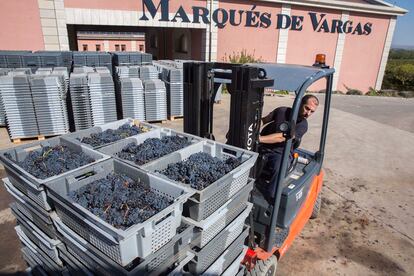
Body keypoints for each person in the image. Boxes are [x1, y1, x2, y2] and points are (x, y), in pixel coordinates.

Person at [258, 94, 319, 197]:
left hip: (281, 152)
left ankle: (270, 197)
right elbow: (264, 120)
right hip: (263, 146)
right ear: (299, 104)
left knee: (280, 167)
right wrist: (250, 130)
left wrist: (259, 139)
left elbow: (282, 137)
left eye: (312, 111)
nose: (308, 113)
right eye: (307, 108)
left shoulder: (303, 125)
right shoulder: (281, 111)